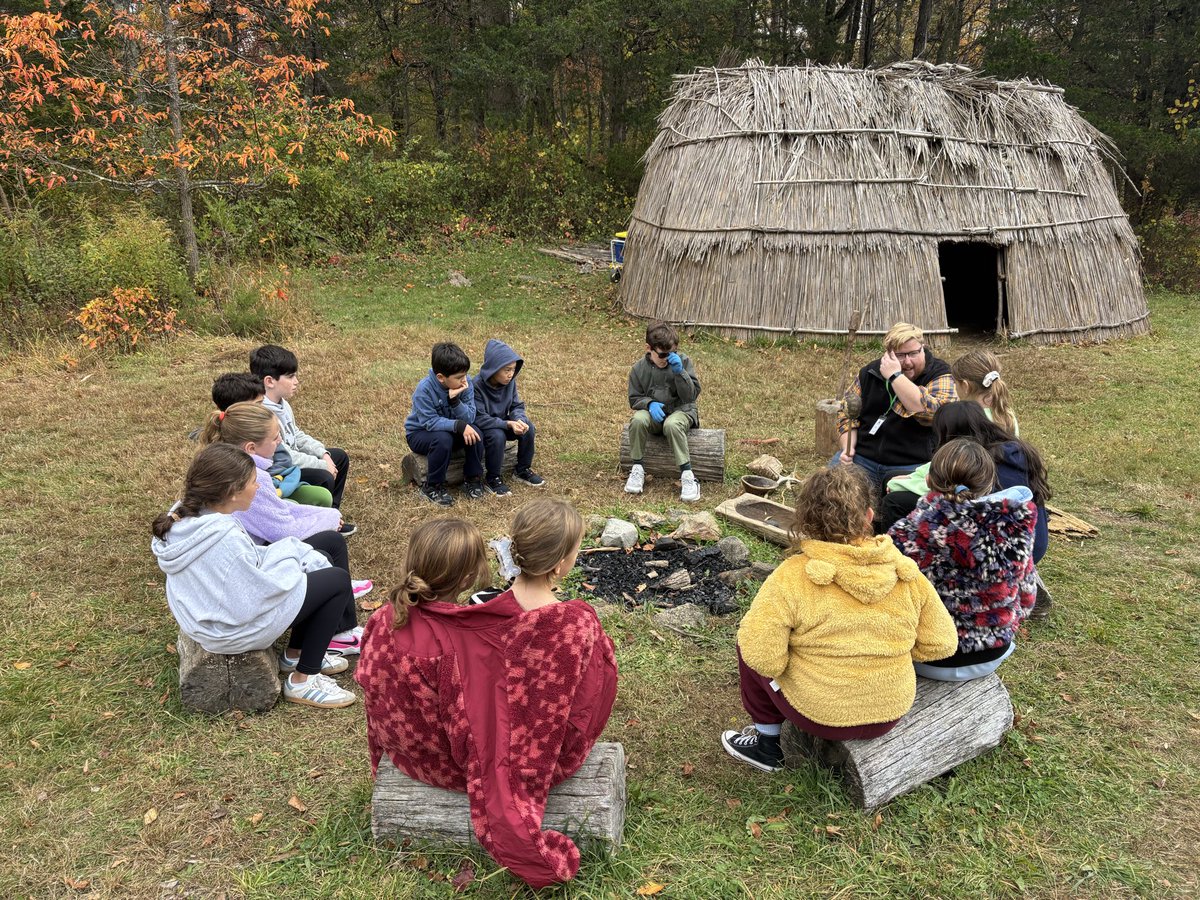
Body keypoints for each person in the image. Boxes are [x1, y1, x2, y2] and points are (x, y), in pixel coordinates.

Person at [356, 500, 617, 889]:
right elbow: (592, 693)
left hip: (412, 755)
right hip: (459, 763)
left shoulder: (383, 618)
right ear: (561, 563)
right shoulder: (569, 623)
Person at [721, 466, 957, 773]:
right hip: (890, 710)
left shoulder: (792, 575)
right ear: (870, 516)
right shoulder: (904, 570)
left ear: (803, 519)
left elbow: (764, 658)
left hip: (820, 714)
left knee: (749, 639)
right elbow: (941, 643)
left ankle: (767, 745)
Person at [151, 444, 356, 708]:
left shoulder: (190, 515)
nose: (258, 488)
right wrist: (292, 563)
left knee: (320, 561)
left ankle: (296, 654)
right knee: (336, 581)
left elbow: (244, 572)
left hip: (211, 615)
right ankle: (304, 681)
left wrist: (293, 556)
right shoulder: (223, 537)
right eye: (252, 482)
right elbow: (256, 595)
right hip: (230, 629)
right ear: (231, 492)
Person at [889, 439, 1038, 681]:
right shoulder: (1014, 527)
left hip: (928, 656)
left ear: (928, 480)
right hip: (994, 652)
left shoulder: (907, 532)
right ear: (989, 484)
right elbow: (1027, 595)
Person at [879, 401, 1051, 564]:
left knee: (895, 501)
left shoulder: (979, 462)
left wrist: (903, 482)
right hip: (1032, 537)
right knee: (895, 477)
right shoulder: (1013, 449)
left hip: (998, 544)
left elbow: (950, 489)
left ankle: (892, 556)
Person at [834, 322, 957, 496]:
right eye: (900, 355)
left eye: (913, 353)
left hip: (914, 465)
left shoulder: (941, 374)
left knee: (896, 507)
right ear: (888, 354)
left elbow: (930, 413)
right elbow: (846, 412)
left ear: (923, 348)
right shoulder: (869, 372)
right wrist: (849, 447)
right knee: (828, 491)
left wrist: (895, 377)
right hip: (863, 458)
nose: (907, 362)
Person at [250, 344, 353, 516]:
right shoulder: (264, 414)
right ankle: (318, 519)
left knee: (339, 457)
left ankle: (333, 514)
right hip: (281, 470)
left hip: (294, 461)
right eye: (290, 377)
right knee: (324, 476)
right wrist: (322, 465)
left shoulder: (282, 403)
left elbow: (296, 434)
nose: (296, 381)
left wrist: (323, 453)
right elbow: (284, 455)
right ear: (269, 381)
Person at [210, 372, 333, 509]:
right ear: (240, 407)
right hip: (260, 492)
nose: (263, 407)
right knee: (318, 481)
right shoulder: (223, 448)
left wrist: (281, 479)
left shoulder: (265, 424)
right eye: (258, 404)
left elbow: (284, 456)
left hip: (278, 480)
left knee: (322, 491)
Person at [624, 321, 702, 503]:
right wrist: (649, 403)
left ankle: (688, 475)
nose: (668, 358)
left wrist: (680, 372)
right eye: (663, 354)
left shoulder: (683, 361)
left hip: (681, 411)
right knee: (637, 420)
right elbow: (634, 398)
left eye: (673, 353)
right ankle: (637, 468)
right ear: (648, 349)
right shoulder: (638, 369)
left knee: (673, 424)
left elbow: (690, 396)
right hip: (654, 414)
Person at [404, 341, 485, 507]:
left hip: (450, 430)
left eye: (465, 375)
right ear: (441, 377)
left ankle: (472, 478)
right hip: (420, 433)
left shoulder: (466, 383)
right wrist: (458, 426)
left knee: (476, 432)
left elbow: (469, 417)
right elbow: (429, 422)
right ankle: (432, 486)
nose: (464, 381)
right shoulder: (424, 390)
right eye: (458, 378)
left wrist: (455, 401)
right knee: (443, 439)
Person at [473, 338, 544, 496]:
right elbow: (479, 418)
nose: (510, 374)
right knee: (497, 436)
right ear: (493, 368)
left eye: (513, 369)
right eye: (506, 370)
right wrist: (507, 424)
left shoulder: (510, 382)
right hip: (485, 427)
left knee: (529, 428)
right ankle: (493, 478)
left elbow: (516, 405)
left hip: (505, 423)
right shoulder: (476, 386)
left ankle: (522, 469)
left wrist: (520, 420)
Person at [950, 349, 1019, 435]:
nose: (954, 387)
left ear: (965, 386)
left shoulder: (965, 420)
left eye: (955, 383)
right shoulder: (1006, 414)